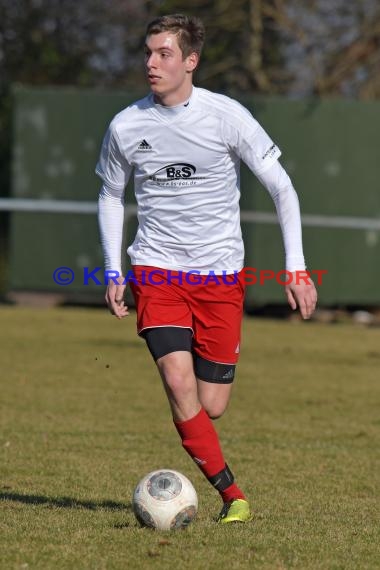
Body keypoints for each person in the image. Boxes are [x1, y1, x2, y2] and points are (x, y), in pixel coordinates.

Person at [96, 13, 317, 524]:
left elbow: (282, 188)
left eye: (164, 54)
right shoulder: (126, 125)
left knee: (211, 404)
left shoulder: (227, 117)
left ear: (191, 61)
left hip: (220, 276)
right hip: (156, 271)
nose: (151, 63)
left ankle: (209, 453)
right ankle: (233, 495)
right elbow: (110, 194)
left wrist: (297, 268)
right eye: (148, 52)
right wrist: (113, 270)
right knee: (178, 383)